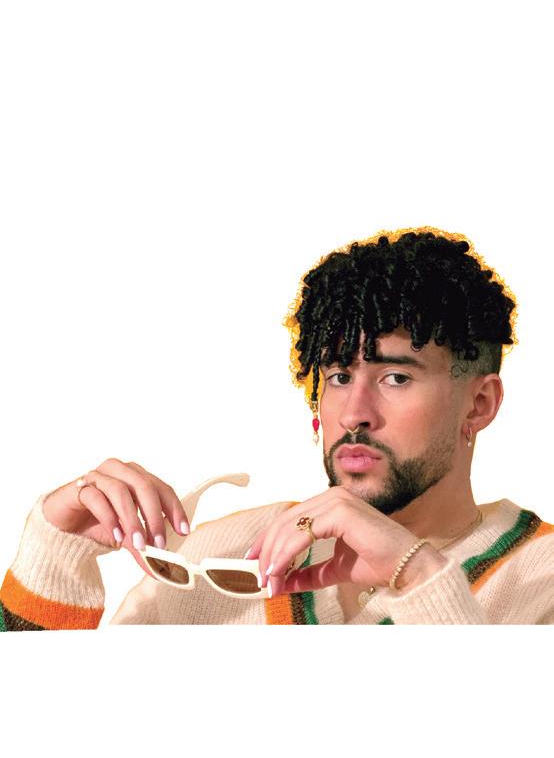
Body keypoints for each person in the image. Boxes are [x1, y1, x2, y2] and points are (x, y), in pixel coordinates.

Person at [1, 225, 553, 628]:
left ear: (479, 405)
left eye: (395, 378)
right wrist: (57, 556)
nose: (354, 413)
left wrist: (416, 574)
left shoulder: (540, 576)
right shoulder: (218, 559)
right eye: (339, 376)